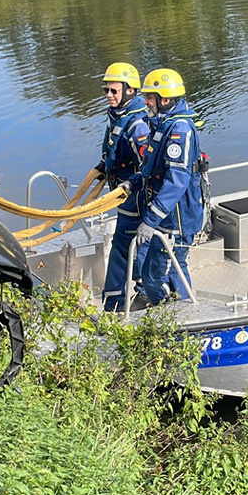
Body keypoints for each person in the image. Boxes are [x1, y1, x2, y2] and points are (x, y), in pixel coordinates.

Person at [129, 68, 205, 306]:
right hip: (168, 217)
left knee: (155, 275)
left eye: (149, 97)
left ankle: (175, 316)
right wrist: (135, 181)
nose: (145, 102)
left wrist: (150, 221)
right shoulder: (163, 124)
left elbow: (176, 181)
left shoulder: (179, 130)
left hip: (176, 220)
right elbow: (154, 169)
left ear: (165, 99)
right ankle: (179, 310)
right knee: (173, 269)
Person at [98, 62, 151, 312]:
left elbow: (147, 168)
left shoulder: (137, 126)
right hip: (124, 200)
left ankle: (118, 304)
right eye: (107, 90)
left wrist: (130, 187)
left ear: (130, 91)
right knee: (123, 248)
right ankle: (119, 301)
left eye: (113, 91)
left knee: (124, 249)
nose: (108, 95)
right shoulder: (119, 116)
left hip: (134, 201)